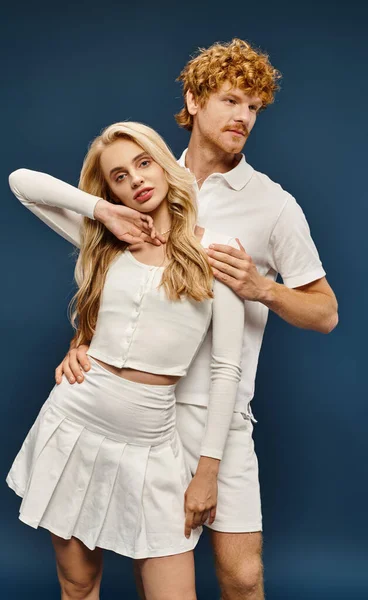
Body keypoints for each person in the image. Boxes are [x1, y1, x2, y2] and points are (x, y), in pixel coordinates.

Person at [56, 39, 339, 600]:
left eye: (254, 107)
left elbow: (325, 312)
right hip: (142, 412)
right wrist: (83, 339)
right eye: (232, 100)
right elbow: (119, 281)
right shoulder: (147, 179)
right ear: (194, 99)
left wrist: (262, 289)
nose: (244, 117)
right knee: (156, 567)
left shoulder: (273, 204)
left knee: (242, 575)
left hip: (221, 411)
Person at [6, 121, 245, 600]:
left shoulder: (216, 254)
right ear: (110, 189)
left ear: (163, 165)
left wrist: (207, 471)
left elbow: (226, 370)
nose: (135, 179)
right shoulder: (105, 240)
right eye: (118, 176)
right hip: (75, 422)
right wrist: (102, 212)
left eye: (143, 163)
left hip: (152, 444)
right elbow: (21, 182)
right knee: (78, 585)